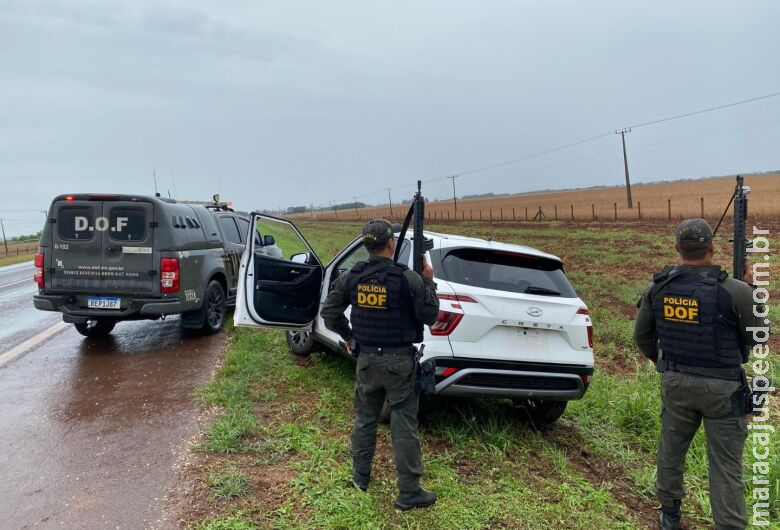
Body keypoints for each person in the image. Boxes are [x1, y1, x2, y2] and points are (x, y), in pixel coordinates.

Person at [634, 218, 762, 530]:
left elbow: (643, 337)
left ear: (677, 248)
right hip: (723, 389)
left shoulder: (658, 287)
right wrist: (752, 287)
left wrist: (663, 363)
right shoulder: (735, 291)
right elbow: (757, 336)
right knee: (726, 468)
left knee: (670, 453)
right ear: (713, 248)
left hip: (676, 382)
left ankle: (669, 517)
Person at [321, 218, 440, 510]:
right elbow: (430, 315)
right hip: (399, 363)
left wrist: (349, 337)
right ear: (390, 244)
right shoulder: (407, 278)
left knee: (365, 419)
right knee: (404, 424)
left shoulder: (352, 276)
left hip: (366, 361)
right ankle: (409, 493)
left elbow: (329, 312)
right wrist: (427, 279)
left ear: (365, 245)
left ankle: (360, 478)